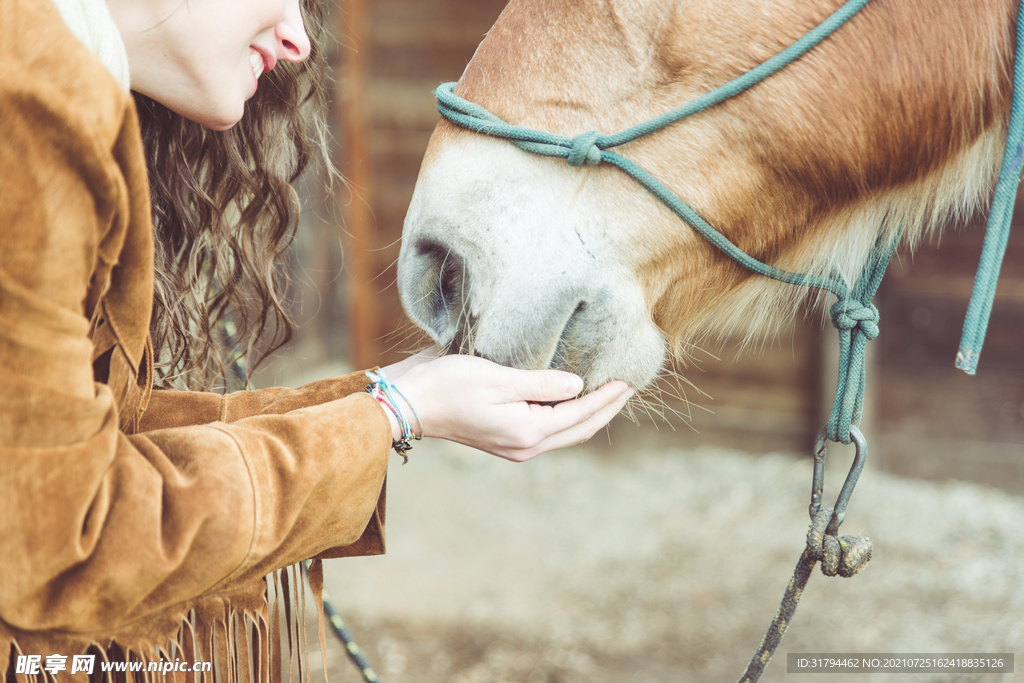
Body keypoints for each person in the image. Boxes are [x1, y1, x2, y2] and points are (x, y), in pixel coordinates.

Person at [0, 0, 634, 678]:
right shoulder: (34, 105)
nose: (299, 41)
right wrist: (393, 414)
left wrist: (389, 399)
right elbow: (66, 539)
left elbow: (86, 447)